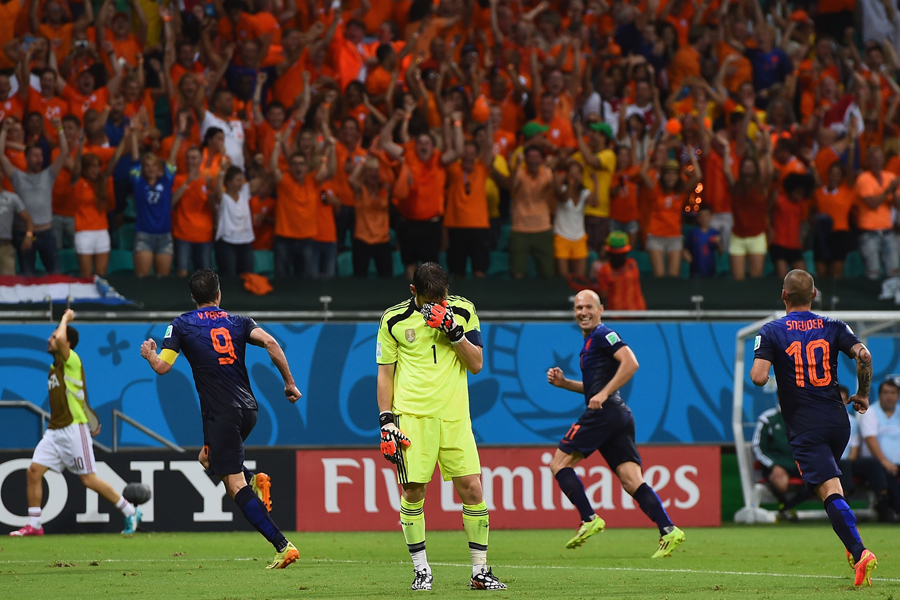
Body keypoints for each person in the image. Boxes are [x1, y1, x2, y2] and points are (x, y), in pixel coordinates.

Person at [139, 269, 301, 568]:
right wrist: (289, 383)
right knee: (206, 458)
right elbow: (272, 344)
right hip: (249, 410)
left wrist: (149, 354)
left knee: (233, 485)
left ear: (192, 297)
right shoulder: (239, 322)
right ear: (219, 294)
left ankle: (282, 545)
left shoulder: (182, 324)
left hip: (221, 413)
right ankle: (256, 481)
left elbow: (162, 367)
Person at [376, 262, 506, 591]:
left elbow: (476, 364)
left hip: (454, 416)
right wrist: (386, 420)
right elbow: (385, 373)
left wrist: (455, 332)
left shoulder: (463, 311)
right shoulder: (393, 320)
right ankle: (422, 570)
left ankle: (480, 572)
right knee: (413, 491)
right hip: (412, 417)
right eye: (429, 299)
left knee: (473, 489)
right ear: (413, 293)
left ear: (448, 290)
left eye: (441, 298)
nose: (437, 306)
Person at [751, 270, 877, 586]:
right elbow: (864, 355)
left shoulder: (771, 331)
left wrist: (769, 374)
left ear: (783, 296)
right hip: (838, 421)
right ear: (815, 294)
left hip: (806, 426)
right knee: (829, 487)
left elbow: (757, 376)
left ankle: (860, 552)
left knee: (828, 490)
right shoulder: (833, 325)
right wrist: (862, 393)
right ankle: (851, 542)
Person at [546, 289, 682, 554]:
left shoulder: (602, 334)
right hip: (617, 416)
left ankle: (589, 518)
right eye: (578, 308)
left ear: (600, 310)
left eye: (588, 307)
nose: (583, 312)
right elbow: (593, 387)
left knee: (558, 464)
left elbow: (631, 363)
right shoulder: (589, 344)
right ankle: (669, 529)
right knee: (632, 481)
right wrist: (565, 384)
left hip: (605, 413)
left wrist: (604, 393)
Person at [9, 309, 140, 536]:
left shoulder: (73, 360)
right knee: (33, 471)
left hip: (73, 429)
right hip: (54, 431)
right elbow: (78, 396)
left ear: (66, 342)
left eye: (53, 336)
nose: (50, 339)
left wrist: (65, 319)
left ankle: (130, 511)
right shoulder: (54, 368)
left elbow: (61, 338)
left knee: (88, 479)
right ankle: (35, 525)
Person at [0, 117, 68, 276]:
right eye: (35, 156)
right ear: (27, 158)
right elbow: (0, 155)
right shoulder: (17, 176)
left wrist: (59, 129)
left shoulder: (48, 175)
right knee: (27, 276)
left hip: (46, 233)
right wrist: (4, 130)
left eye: (41, 156)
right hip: (24, 233)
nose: (39, 160)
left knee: (55, 274)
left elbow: (64, 153)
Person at [752, 399, 809, 521]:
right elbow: (758, 447)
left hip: (798, 464)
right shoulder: (768, 418)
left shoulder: (803, 417)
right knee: (781, 483)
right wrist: (773, 465)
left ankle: (787, 507)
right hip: (776, 465)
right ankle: (785, 505)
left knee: (818, 480)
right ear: (780, 397)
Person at [596, 231, 647, 311]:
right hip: (616, 315)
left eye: (621, 254)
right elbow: (604, 295)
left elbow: (604, 294)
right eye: (616, 254)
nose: (618, 256)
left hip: (638, 312)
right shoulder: (604, 270)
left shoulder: (632, 264)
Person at [0, 171, 34, 275]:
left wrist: (29, 237)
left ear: (2, 175)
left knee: (8, 283)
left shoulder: (12, 198)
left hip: (5, 246)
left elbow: (29, 220)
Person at [683, 204, 721, 278]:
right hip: (695, 271)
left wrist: (718, 243)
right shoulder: (693, 232)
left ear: (711, 217)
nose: (704, 219)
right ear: (697, 217)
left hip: (711, 271)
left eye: (707, 215)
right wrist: (685, 254)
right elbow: (685, 248)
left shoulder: (715, 233)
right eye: (701, 216)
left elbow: (721, 252)